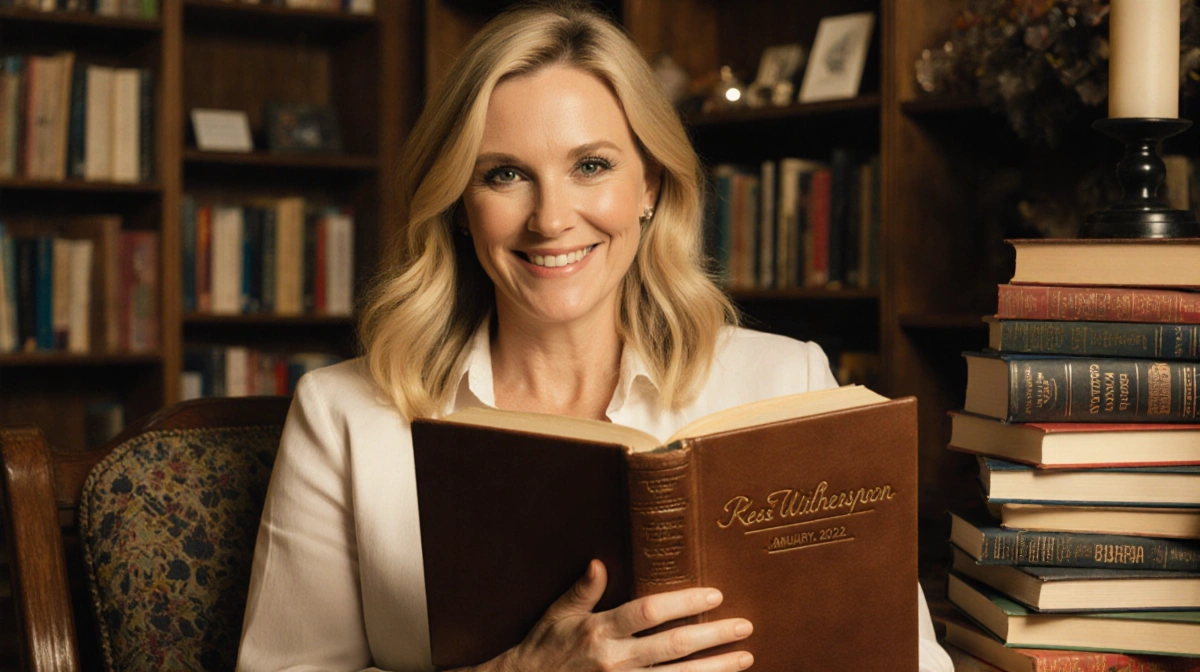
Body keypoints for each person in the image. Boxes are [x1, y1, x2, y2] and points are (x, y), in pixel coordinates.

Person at [236, 3, 955, 671]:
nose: (551, 219)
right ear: (459, 202)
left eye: (591, 166)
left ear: (649, 185)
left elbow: (913, 662)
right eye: (505, 174)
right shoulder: (344, 415)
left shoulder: (787, 381)